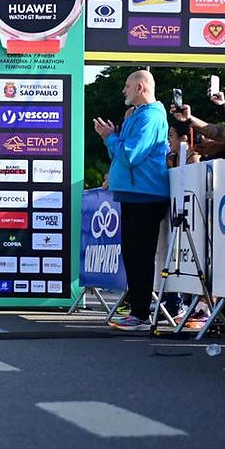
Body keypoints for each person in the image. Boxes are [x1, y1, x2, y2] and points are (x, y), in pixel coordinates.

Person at [93, 70, 170, 332]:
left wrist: (110, 138)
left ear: (140, 87)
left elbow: (130, 155)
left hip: (146, 195)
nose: (123, 91)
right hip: (134, 194)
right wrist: (114, 137)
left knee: (141, 255)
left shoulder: (150, 116)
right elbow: (123, 156)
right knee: (133, 254)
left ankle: (140, 313)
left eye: (127, 86)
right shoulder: (138, 115)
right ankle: (136, 309)